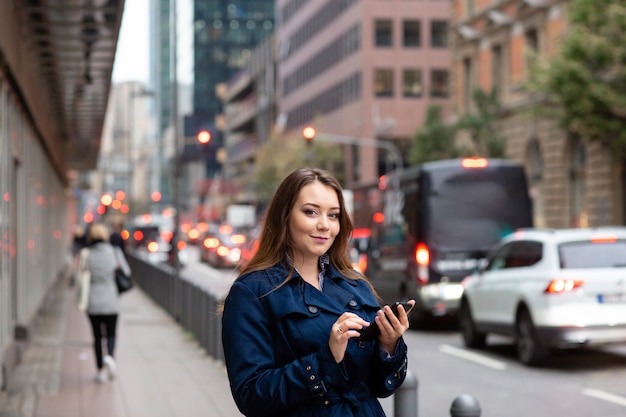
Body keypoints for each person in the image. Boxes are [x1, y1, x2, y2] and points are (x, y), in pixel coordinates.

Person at [221, 167, 414, 417]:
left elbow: (381, 387)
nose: (324, 225)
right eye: (311, 212)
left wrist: (388, 346)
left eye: (333, 215)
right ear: (284, 216)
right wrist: (326, 358)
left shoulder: (355, 284)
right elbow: (251, 395)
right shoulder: (252, 292)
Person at [80, 222, 131, 383]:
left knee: (96, 337)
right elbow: (127, 271)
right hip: (111, 300)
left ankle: (100, 371)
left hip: (93, 300)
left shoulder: (86, 253)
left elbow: (82, 275)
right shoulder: (114, 252)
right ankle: (109, 356)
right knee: (111, 334)